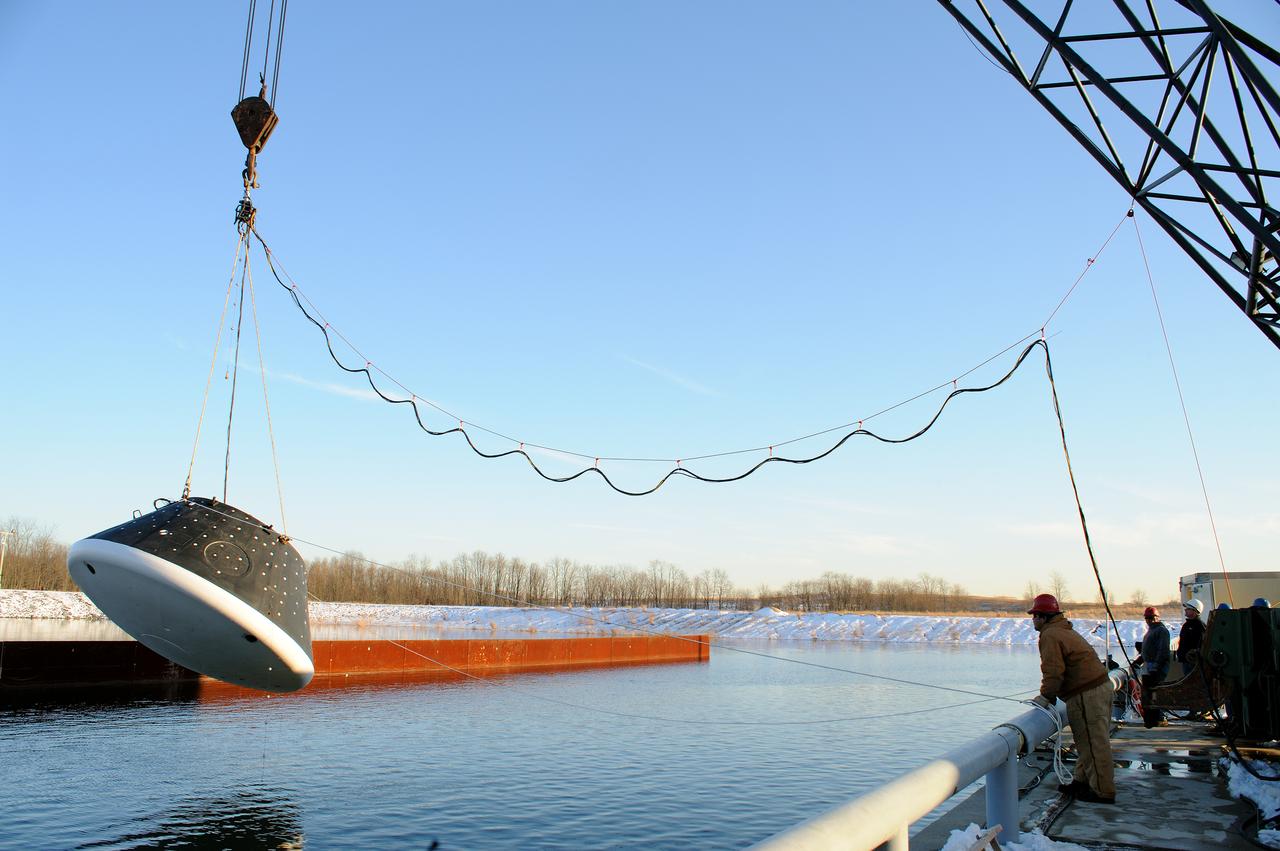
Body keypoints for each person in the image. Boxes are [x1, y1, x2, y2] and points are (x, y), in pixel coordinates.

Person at [1028, 593, 1116, 804]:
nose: (1032, 620)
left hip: (1087, 694)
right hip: (1098, 688)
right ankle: (1081, 782)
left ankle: (1102, 792)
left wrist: (1046, 696)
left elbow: (1053, 671)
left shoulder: (1050, 635)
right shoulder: (1064, 630)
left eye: (1034, 615)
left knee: (1094, 744)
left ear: (1043, 617)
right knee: (1087, 741)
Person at [1134, 605, 1171, 728]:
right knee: (1149, 694)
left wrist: (1156, 667)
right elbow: (1147, 650)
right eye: (1147, 618)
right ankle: (1153, 719)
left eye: (1151, 617)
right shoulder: (1151, 630)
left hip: (1157, 668)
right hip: (1149, 667)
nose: (1149, 620)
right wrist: (1139, 661)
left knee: (1156, 693)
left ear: (1157, 617)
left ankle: (1160, 717)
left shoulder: (1161, 631)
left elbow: (1162, 651)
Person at [1176, 599, 1205, 679]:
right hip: (1186, 661)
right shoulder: (1187, 625)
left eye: (1188, 609)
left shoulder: (1199, 626)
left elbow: (1202, 644)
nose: (1185, 610)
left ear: (1195, 611)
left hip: (1193, 662)